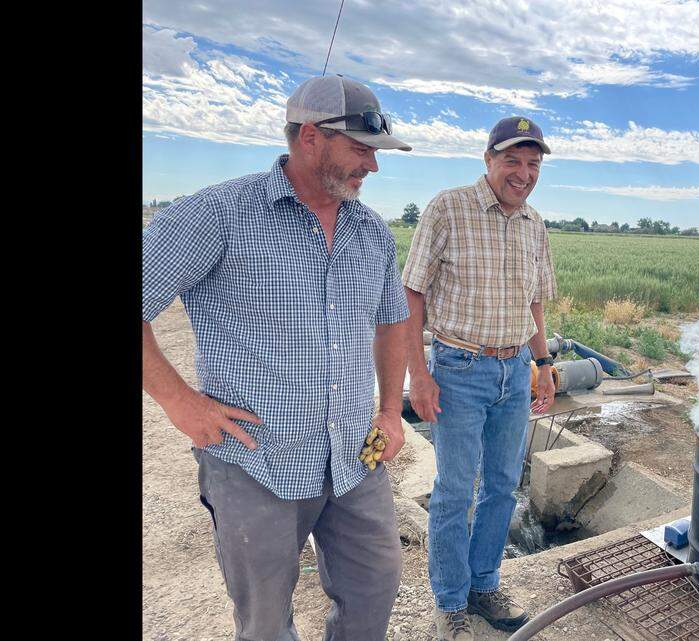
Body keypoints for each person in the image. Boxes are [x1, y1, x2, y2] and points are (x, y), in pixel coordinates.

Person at [142, 74, 413, 641]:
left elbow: (392, 321)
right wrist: (179, 402)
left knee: (376, 586)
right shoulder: (219, 214)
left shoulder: (370, 231)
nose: (373, 165)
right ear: (310, 137)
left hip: (354, 456)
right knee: (265, 621)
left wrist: (391, 410)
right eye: (360, 149)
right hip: (255, 462)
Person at [402, 116, 558, 641]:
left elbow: (534, 301)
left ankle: (485, 584)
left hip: (514, 371)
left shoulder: (534, 223)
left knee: (502, 485)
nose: (523, 173)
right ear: (488, 160)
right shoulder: (448, 208)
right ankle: (450, 601)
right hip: (459, 369)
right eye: (512, 160)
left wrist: (542, 364)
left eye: (532, 164)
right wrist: (418, 374)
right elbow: (412, 294)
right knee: (453, 490)